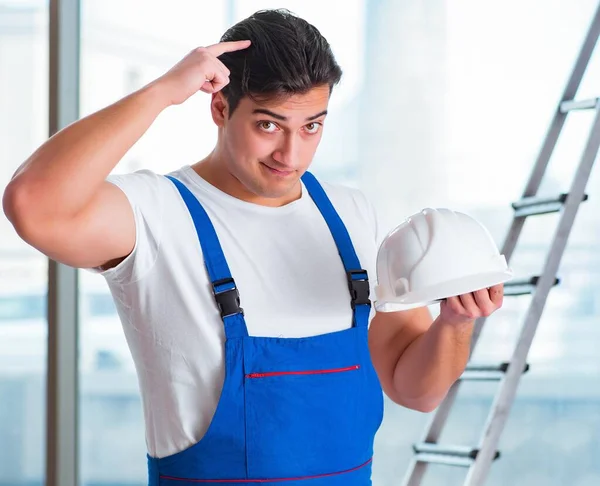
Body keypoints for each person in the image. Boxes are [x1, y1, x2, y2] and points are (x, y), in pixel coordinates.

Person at [3, 9, 503, 485]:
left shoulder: (352, 216)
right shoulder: (155, 214)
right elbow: (32, 203)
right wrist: (161, 92)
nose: (292, 153)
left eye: (312, 126)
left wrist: (455, 324)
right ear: (220, 107)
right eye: (269, 125)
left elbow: (416, 388)